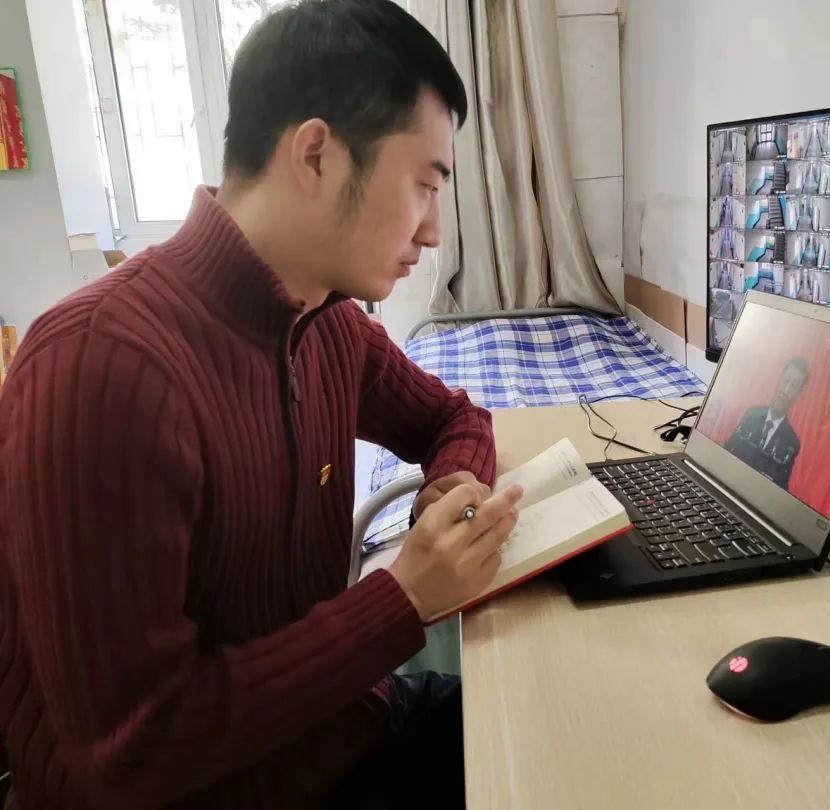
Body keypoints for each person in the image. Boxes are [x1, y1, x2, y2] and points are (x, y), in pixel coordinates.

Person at [0, 1, 522, 807]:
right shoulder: (98, 366)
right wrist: (402, 598)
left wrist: (453, 484)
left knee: (566, 730)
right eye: (424, 186)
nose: (433, 234)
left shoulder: (328, 322)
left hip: (338, 731)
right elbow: (134, 749)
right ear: (315, 155)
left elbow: (455, 418)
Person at [724, 357, 810, 492]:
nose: (785, 390)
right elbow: (727, 451)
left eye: (793, 386)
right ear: (779, 379)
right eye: (786, 380)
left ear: (798, 394)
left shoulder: (792, 442)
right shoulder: (751, 415)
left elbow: (780, 487)